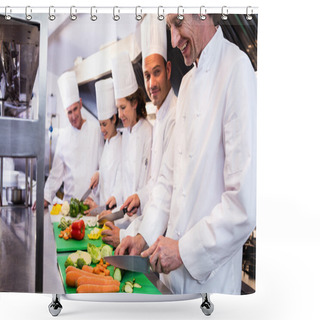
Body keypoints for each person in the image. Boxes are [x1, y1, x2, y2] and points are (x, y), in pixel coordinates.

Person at [116, 14, 257, 295]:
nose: (174, 39)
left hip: (209, 284)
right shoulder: (189, 83)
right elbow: (167, 181)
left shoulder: (237, 69)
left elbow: (243, 206)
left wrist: (184, 250)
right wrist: (142, 236)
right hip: (171, 280)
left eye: (178, 23)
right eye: (169, 27)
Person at [107, 14, 177, 241]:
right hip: (146, 227)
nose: (151, 83)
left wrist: (135, 233)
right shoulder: (161, 119)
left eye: (156, 72)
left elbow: (166, 190)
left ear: (168, 70)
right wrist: (138, 196)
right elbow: (154, 183)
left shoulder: (174, 118)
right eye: (147, 75)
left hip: (159, 231)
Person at [99, 51, 153, 248]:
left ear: (135, 103)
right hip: (127, 221)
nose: (120, 114)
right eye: (118, 108)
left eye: (123, 108)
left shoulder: (148, 132)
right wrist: (116, 198)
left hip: (143, 227)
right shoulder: (127, 134)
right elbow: (123, 176)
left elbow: (150, 184)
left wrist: (136, 200)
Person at [32, 70, 103, 209]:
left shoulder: (96, 130)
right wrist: (45, 198)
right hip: (69, 206)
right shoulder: (64, 136)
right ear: (65, 113)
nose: (73, 116)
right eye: (69, 112)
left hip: (91, 204)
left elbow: (103, 167)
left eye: (75, 109)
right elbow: (56, 174)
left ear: (81, 104)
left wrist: (97, 188)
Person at [83, 78, 122, 213]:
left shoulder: (122, 145)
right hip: (102, 214)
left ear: (114, 119)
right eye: (100, 124)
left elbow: (119, 191)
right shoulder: (108, 143)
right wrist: (99, 174)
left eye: (104, 124)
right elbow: (107, 171)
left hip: (113, 217)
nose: (102, 129)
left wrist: (98, 210)